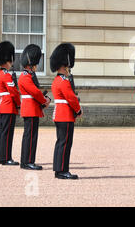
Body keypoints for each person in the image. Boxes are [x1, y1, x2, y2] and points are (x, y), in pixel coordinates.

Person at [50, 43, 82, 180]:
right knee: (65, 143)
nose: (68, 69)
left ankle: (59, 169)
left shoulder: (57, 80)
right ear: (63, 67)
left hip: (60, 114)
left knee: (60, 142)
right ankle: (63, 170)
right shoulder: (63, 81)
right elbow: (71, 98)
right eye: (67, 67)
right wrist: (78, 110)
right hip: (66, 115)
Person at [19, 44, 51, 170]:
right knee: (30, 136)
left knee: (30, 136)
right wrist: (45, 100)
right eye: (35, 64)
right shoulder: (26, 77)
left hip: (32, 108)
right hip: (30, 109)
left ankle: (27, 161)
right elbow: (35, 92)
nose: (37, 67)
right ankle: (27, 162)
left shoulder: (28, 76)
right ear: (30, 64)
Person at [0, 41, 21, 166]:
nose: (11, 63)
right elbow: (14, 92)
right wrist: (19, 104)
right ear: (7, 60)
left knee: (2, 132)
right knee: (7, 133)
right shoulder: (6, 76)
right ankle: (6, 157)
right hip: (9, 106)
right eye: (10, 60)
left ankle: (1, 156)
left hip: (2, 105)